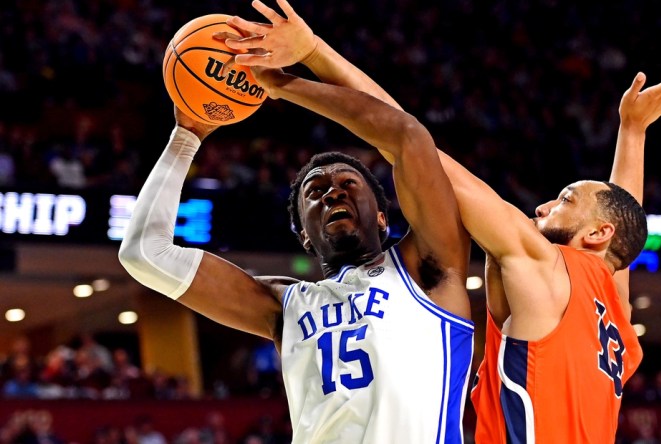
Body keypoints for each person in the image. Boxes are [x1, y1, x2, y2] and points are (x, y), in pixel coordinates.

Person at [219, 1, 661, 442]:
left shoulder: (543, 263)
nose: (543, 208)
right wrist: (633, 130)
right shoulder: (616, 318)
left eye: (565, 200)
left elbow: (410, 143)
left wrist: (313, 55)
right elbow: (623, 230)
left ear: (595, 233)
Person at [118, 20, 474, 444]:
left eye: (348, 184)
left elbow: (409, 136)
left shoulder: (428, 270)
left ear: (382, 216)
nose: (331, 193)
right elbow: (144, 252)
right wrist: (186, 137)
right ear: (304, 235)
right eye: (316, 191)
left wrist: (282, 84)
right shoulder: (285, 306)